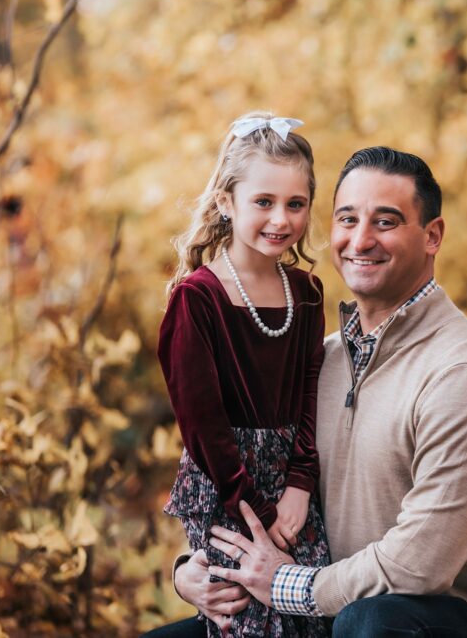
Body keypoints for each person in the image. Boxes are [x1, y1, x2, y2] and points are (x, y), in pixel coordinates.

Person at [164, 146, 467, 637]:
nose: (360, 240)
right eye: (347, 219)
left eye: (385, 222)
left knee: (373, 622)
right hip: (328, 610)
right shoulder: (321, 361)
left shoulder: (464, 371)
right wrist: (195, 573)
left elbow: (419, 567)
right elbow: (262, 476)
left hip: (451, 621)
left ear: (432, 236)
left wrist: (286, 584)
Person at [155, 113, 331, 637]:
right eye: (264, 202)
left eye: (295, 204)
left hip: (293, 484)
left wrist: (299, 484)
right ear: (227, 203)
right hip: (228, 483)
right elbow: (203, 425)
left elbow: (309, 392)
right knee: (244, 616)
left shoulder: (307, 291)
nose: (281, 219)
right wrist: (253, 505)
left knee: (306, 610)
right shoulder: (198, 299)